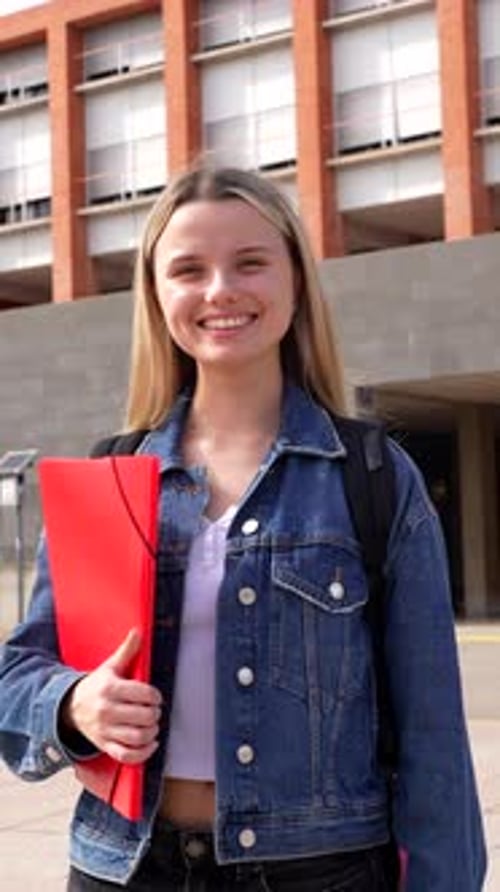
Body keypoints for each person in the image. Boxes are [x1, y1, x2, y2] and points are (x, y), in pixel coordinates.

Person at [0, 165, 486, 892]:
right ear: (158, 296)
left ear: (294, 279)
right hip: (126, 869)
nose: (220, 289)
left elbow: (433, 740)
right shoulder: (115, 476)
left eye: (250, 262)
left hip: (320, 873)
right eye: (188, 269)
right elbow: (18, 680)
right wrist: (73, 706)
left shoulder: (374, 476)